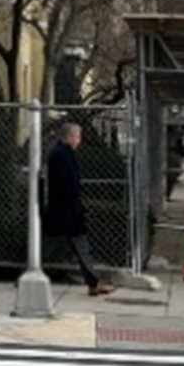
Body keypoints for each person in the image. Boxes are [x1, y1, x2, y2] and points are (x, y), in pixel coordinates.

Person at [43, 122, 112, 296]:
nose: (79, 141)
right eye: (77, 137)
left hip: (66, 210)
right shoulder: (61, 155)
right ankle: (26, 275)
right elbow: (64, 183)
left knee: (76, 247)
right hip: (64, 210)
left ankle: (93, 282)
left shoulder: (63, 154)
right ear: (70, 137)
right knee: (50, 247)